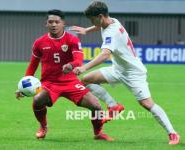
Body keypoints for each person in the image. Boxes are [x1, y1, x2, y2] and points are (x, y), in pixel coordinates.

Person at [71, 1, 180, 145]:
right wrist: (87, 30)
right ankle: (113, 106)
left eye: (92, 19)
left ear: (100, 16)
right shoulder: (112, 21)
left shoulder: (112, 32)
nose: (92, 22)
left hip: (133, 72)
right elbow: (99, 25)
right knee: (86, 80)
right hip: (118, 69)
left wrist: (85, 67)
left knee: (146, 104)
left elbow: (104, 55)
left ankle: (173, 133)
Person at [15, 9, 113, 141]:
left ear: (63, 23)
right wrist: (23, 88)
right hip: (49, 83)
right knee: (38, 100)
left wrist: (71, 65)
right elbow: (33, 65)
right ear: (46, 24)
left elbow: (78, 60)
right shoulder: (39, 43)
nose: (54, 24)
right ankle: (43, 127)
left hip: (70, 82)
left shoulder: (72, 39)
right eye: (51, 22)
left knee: (95, 105)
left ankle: (98, 133)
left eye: (57, 22)